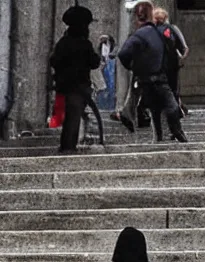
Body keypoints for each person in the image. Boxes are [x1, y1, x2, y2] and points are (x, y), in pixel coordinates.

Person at [118, 0, 187, 142]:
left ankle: (160, 137)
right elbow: (123, 54)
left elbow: (124, 54)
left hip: (150, 77)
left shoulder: (146, 33)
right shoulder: (153, 33)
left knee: (156, 108)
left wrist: (134, 67)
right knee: (170, 105)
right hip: (159, 77)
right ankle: (175, 132)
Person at [50, 5, 101, 152]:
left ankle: (67, 145)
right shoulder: (84, 43)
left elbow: (54, 61)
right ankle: (68, 147)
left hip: (64, 84)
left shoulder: (62, 43)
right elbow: (94, 62)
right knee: (73, 116)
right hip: (78, 85)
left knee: (68, 116)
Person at [153, 8, 189, 113]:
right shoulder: (171, 29)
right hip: (171, 63)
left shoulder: (151, 31)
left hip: (157, 65)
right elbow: (181, 47)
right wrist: (181, 57)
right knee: (173, 88)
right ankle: (176, 109)